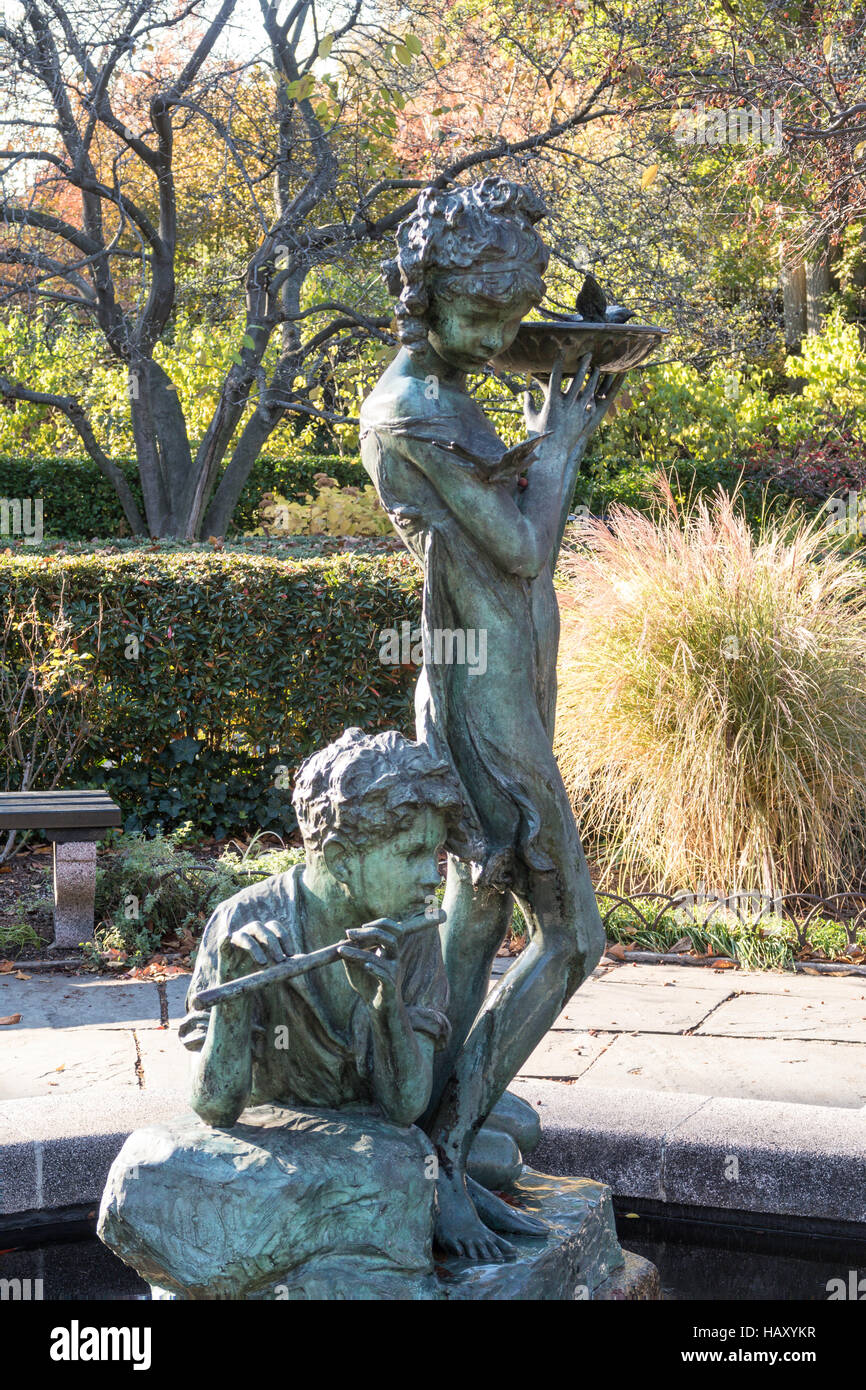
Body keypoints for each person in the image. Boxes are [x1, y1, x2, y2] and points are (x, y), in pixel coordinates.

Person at [360, 177, 622, 1261]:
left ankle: (433, 1144)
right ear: (422, 297)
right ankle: (447, 1147)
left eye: (511, 323)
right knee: (571, 937)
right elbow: (519, 549)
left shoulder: (449, 391)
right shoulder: (412, 413)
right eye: (480, 322)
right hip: (482, 707)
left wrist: (540, 439)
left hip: (500, 686)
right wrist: (557, 443)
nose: (497, 341)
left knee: (472, 922)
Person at [180, 727, 460, 1130]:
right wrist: (234, 999)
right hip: (268, 1141)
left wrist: (387, 1010)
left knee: (506, 1144)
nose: (432, 877)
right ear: (341, 859)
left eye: (435, 853)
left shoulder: (411, 930)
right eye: (414, 854)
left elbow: (405, 1108)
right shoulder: (239, 923)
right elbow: (214, 1108)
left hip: (368, 1142)